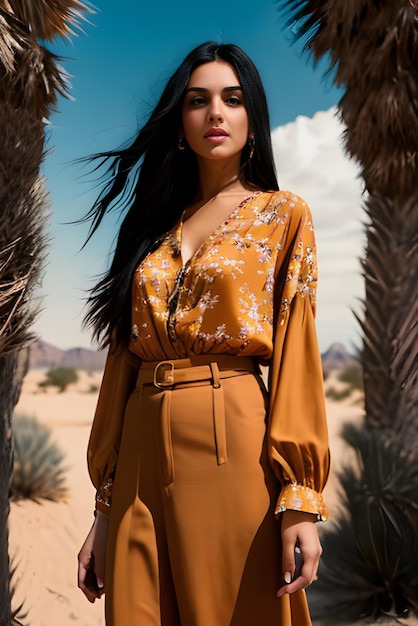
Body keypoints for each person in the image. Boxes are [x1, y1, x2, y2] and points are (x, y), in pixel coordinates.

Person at [77, 41, 330, 626]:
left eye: (232, 99)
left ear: (251, 117)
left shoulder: (281, 214)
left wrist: (299, 501)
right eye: (199, 100)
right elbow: (122, 362)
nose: (216, 113)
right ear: (181, 119)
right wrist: (105, 509)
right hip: (139, 446)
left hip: (230, 438)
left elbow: (298, 352)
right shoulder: (150, 227)